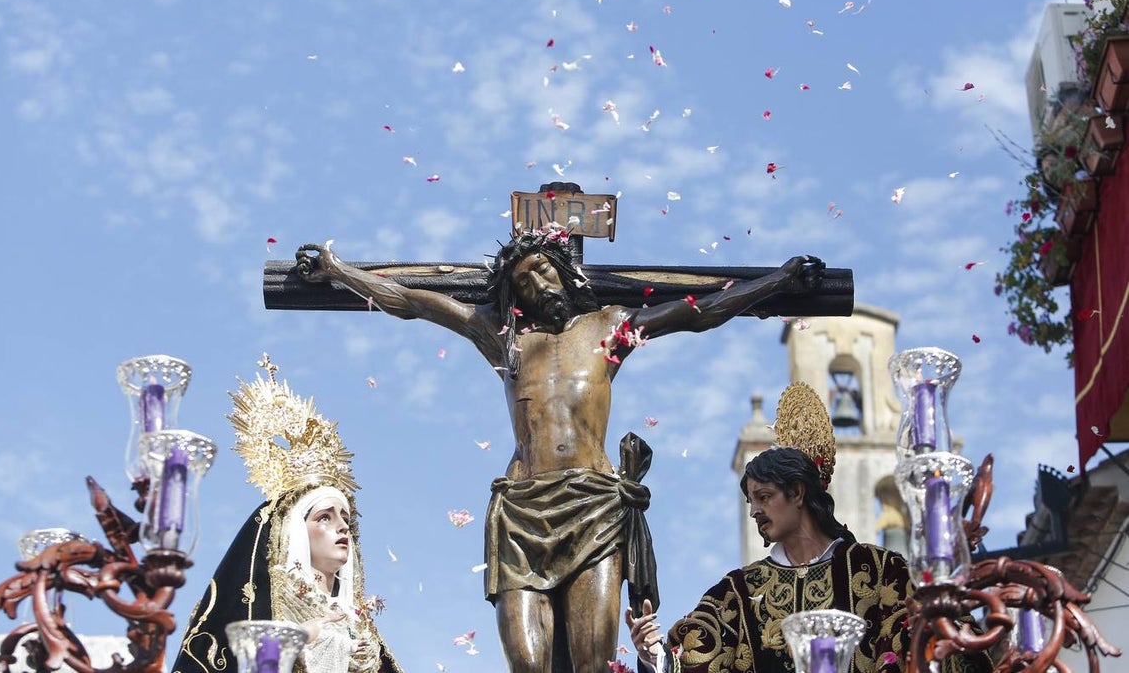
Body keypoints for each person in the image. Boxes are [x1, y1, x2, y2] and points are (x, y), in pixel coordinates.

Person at [295, 231, 825, 673]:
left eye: (544, 270)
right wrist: (337, 269)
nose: (538, 284)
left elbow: (702, 311)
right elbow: (415, 302)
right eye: (524, 280)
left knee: (593, 663)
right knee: (527, 664)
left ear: (566, 274)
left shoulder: (609, 329)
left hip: (592, 506)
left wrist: (780, 279)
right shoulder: (505, 340)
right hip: (522, 510)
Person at [626, 383, 912, 673]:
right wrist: (655, 657)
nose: (754, 511)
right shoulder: (736, 592)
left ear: (797, 492)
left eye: (764, 497)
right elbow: (692, 660)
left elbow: (919, 649)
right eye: (751, 501)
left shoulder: (880, 571)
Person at [173, 356, 402, 673]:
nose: (342, 528)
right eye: (324, 517)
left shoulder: (362, 634)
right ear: (293, 532)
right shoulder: (270, 617)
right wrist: (305, 637)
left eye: (345, 519)